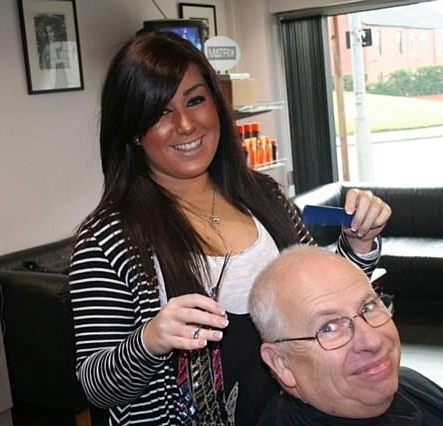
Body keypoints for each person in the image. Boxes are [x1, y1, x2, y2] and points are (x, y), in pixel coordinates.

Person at [69, 31, 391, 426]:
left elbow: (328, 310)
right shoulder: (107, 239)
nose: (186, 124)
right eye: (160, 112)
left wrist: (358, 244)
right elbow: (98, 387)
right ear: (133, 130)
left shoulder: (264, 196)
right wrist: (150, 340)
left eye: (195, 100)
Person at [249, 245, 443, 425]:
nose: (372, 341)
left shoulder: (408, 381)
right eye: (329, 328)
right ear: (280, 363)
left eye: (369, 307)